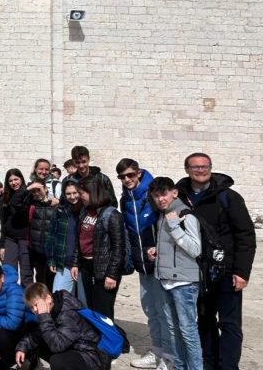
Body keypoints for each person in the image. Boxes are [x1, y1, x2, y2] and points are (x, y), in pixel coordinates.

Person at [177, 153, 256, 370]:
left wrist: (242, 272)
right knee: (205, 320)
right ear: (187, 170)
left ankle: (228, 366)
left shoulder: (229, 197)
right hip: (198, 272)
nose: (200, 171)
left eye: (204, 166)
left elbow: (245, 235)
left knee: (229, 324)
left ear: (211, 168)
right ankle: (208, 363)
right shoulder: (181, 197)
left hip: (227, 270)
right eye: (195, 167)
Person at [117, 158, 168, 370]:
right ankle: (157, 351)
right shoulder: (125, 199)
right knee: (150, 309)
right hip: (143, 264)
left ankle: (169, 356)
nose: (127, 179)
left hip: (162, 263)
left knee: (164, 311)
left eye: (130, 175)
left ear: (138, 173)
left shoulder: (154, 193)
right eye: (122, 177)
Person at [148, 177, 202, 370]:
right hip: (166, 280)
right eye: (156, 196)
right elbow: (174, 247)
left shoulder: (185, 214)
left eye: (164, 194)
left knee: (188, 331)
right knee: (172, 330)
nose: (160, 199)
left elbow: (196, 249)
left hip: (184, 283)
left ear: (174, 193)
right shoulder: (165, 214)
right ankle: (178, 367)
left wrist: (175, 228)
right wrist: (157, 250)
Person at [15, 283, 109, 370]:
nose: (35, 309)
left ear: (48, 298)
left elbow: (57, 346)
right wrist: (22, 348)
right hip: (71, 346)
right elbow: (38, 333)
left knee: (57, 361)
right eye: (31, 307)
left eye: (36, 305)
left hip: (90, 354)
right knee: (33, 331)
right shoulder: (51, 308)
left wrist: (44, 317)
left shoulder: (67, 312)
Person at [71, 179, 124, 320]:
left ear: (92, 193)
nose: (79, 196)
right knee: (91, 307)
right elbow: (79, 240)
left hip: (104, 269)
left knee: (103, 311)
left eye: (81, 193)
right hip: (86, 267)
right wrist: (76, 263)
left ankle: (112, 341)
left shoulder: (111, 214)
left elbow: (118, 247)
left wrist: (112, 274)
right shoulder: (85, 212)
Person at [46, 181, 84, 301]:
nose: (72, 197)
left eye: (75, 193)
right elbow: (52, 235)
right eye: (68, 194)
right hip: (65, 262)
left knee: (84, 301)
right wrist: (51, 259)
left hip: (82, 264)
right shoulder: (60, 211)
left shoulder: (86, 211)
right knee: (58, 298)